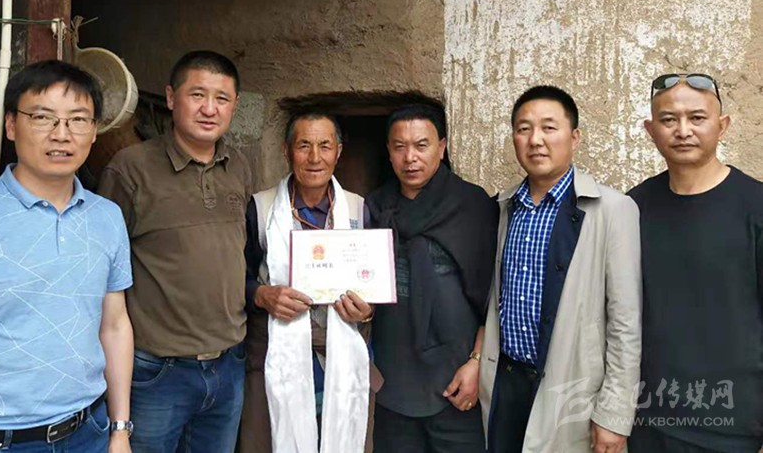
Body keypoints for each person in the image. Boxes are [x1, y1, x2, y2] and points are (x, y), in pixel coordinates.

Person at [0, 60, 134, 453]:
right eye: (43, 117)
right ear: (11, 125)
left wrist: (119, 430)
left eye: (78, 119)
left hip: (88, 432)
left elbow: (114, 326)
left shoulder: (107, 217)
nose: (61, 134)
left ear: (93, 131)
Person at [98, 50, 252, 453]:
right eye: (197, 95)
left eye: (222, 98)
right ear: (171, 98)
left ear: (234, 105)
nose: (209, 109)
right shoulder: (130, 169)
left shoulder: (238, 167)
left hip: (228, 364)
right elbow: (101, 270)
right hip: (157, 370)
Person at [480, 85, 641, 453]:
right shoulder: (502, 207)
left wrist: (614, 415)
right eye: (524, 129)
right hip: (506, 383)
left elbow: (625, 323)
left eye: (549, 128)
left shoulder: (613, 210)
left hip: (570, 391)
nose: (535, 140)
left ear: (575, 137)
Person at [627, 73, 763, 453]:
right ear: (651, 130)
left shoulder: (756, 207)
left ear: (722, 126)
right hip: (649, 425)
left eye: (697, 118)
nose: (683, 130)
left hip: (735, 431)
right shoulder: (632, 208)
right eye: (669, 120)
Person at [240, 112, 376, 453]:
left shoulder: (358, 209)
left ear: (338, 152)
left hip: (342, 354)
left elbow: (373, 282)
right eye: (304, 146)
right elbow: (236, 276)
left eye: (325, 146)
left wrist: (368, 309)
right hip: (275, 353)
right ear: (287, 151)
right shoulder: (262, 208)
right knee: (269, 440)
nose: (315, 157)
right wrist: (261, 294)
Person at [366, 103, 498, 453]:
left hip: (457, 381)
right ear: (389, 152)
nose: (410, 157)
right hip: (392, 380)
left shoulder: (472, 206)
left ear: (441, 147)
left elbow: (494, 297)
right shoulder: (375, 208)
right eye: (400, 146)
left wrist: (476, 364)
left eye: (421, 145)